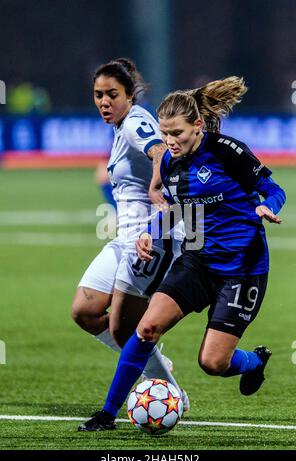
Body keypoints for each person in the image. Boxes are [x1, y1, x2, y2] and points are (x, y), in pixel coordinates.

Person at [90, 76, 286, 430]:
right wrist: (149, 234)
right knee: (147, 327)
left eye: (176, 133)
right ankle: (107, 413)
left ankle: (254, 362)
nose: (169, 142)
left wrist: (267, 206)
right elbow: (178, 210)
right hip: (198, 259)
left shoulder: (228, 151)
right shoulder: (170, 163)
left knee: (212, 363)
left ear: (197, 126)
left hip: (242, 267)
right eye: (165, 134)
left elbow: (272, 187)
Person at [72, 58, 188, 431]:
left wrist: (157, 184)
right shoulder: (122, 125)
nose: (104, 101)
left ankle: (169, 391)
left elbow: (159, 150)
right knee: (85, 311)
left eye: (111, 95)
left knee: (126, 330)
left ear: (129, 95)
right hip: (124, 238)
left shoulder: (137, 121)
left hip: (149, 239)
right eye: (98, 95)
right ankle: (154, 363)